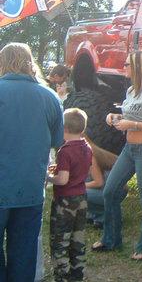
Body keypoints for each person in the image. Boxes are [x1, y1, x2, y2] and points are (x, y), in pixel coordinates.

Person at [0, 42, 64, 282]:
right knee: (24, 253)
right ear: (30, 63)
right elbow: (59, 142)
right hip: (30, 188)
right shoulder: (50, 97)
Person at [92, 51, 142, 261]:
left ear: (137, 67)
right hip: (129, 150)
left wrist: (131, 124)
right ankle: (111, 239)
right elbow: (132, 115)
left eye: (126, 64)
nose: (123, 68)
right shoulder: (132, 90)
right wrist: (115, 117)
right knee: (110, 191)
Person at [47, 108, 92, 282]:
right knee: (77, 238)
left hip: (64, 201)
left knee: (60, 240)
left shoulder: (64, 151)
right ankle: (77, 275)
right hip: (81, 198)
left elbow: (63, 179)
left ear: (63, 128)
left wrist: (49, 177)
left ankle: (62, 276)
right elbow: (79, 170)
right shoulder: (86, 147)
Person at [85, 138, 127, 228]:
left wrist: (77, 186)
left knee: (75, 192)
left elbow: (98, 182)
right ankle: (99, 216)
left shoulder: (89, 154)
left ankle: (111, 216)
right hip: (106, 190)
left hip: (115, 192)